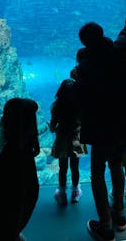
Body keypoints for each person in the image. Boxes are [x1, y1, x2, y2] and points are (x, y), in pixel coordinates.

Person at [72, 16, 126, 241]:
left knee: (97, 171)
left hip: (104, 127)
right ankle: (119, 214)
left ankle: (105, 227)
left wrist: (76, 77)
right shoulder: (120, 49)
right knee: (116, 164)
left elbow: (81, 96)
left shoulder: (87, 67)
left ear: (85, 43)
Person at [0, 97, 40, 241]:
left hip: (4, 220)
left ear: (8, 122)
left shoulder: (10, 153)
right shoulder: (26, 151)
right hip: (18, 219)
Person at [49, 78, 87, 206]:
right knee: (75, 168)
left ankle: (62, 194)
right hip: (76, 140)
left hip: (62, 141)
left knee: (62, 168)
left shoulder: (56, 106)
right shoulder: (80, 105)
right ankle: (75, 192)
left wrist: (52, 127)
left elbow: (53, 127)